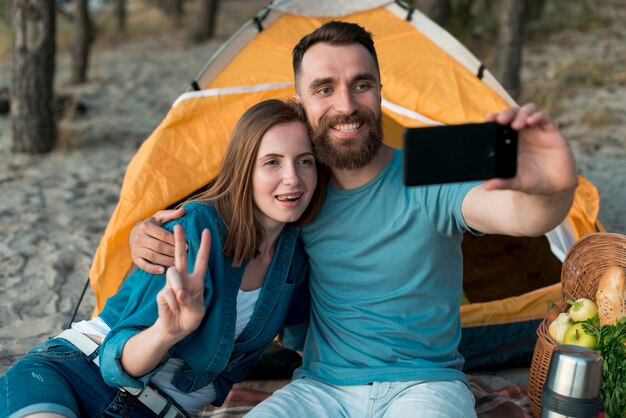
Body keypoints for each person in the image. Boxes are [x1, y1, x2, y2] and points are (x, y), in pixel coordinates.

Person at [128, 22, 578, 417]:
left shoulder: (428, 166)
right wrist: (143, 232)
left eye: (362, 85)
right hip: (319, 390)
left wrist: (553, 189)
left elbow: (523, 215)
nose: (346, 104)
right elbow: (223, 216)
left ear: (381, 92)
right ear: (301, 103)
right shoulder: (297, 189)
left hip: (423, 386)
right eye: (324, 88)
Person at [0, 99, 326, 418]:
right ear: (245, 169)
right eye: (272, 162)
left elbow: (305, 345)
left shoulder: (297, 260)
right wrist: (168, 333)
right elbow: (117, 363)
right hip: (78, 372)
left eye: (304, 161)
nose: (293, 178)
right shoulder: (195, 228)